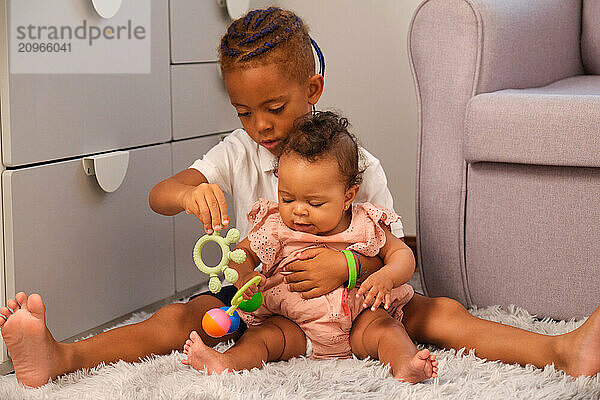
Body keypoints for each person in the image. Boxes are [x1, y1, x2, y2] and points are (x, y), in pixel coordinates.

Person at [0, 7, 598, 389]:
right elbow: (162, 193)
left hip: (357, 309)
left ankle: (559, 350)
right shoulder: (238, 152)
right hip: (266, 306)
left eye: (275, 108)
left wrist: (350, 264)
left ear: (311, 89)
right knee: (180, 318)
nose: (260, 125)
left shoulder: (354, 164)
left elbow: (393, 245)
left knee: (435, 314)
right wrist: (193, 193)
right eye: (244, 111)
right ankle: (63, 360)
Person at [182, 111, 438, 383]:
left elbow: (402, 255)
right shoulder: (275, 226)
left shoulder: (364, 223)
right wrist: (245, 275)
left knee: (387, 330)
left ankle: (404, 364)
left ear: (347, 196)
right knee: (262, 338)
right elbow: (241, 254)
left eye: (315, 203)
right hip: (291, 323)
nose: (299, 211)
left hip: (358, 322)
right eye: (287, 197)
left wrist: (387, 276)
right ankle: (226, 362)